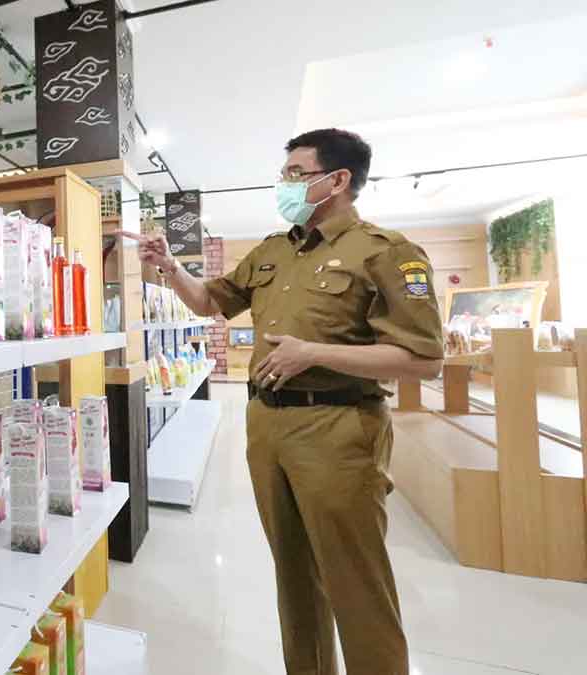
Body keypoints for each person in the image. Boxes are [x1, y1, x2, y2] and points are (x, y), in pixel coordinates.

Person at [123, 128, 444, 675]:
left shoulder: (385, 252)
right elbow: (209, 303)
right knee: (293, 573)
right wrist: (171, 268)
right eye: (284, 174)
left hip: (338, 427)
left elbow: (423, 359)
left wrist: (313, 353)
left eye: (296, 174)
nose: (284, 184)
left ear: (337, 180)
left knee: (355, 579)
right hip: (267, 425)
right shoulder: (273, 250)